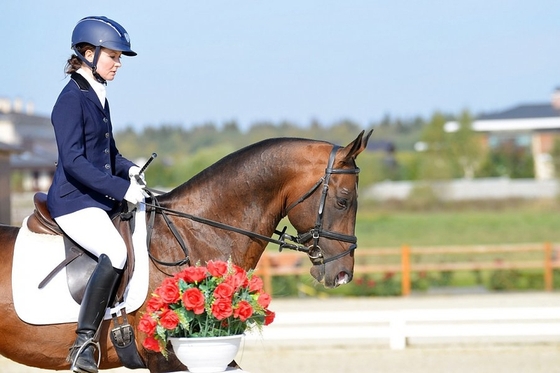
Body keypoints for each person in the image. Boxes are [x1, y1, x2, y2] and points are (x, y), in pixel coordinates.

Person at [46, 16, 146, 373]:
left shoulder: (97, 95)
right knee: (116, 250)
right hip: (73, 200)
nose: (118, 64)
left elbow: (110, 154)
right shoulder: (70, 100)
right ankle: (83, 343)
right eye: (113, 56)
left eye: (119, 58)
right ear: (88, 53)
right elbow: (73, 162)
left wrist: (130, 169)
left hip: (97, 196)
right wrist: (122, 189)